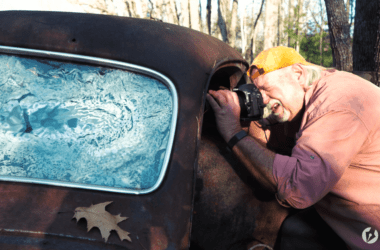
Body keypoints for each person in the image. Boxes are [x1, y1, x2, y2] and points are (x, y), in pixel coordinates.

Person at [206, 46, 380, 250]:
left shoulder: (338, 103)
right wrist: (240, 114)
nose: (262, 99)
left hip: (369, 225)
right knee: (292, 230)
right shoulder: (306, 97)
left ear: (298, 73)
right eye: (257, 91)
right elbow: (272, 139)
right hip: (339, 213)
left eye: (265, 88)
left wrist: (233, 132)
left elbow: (299, 187)